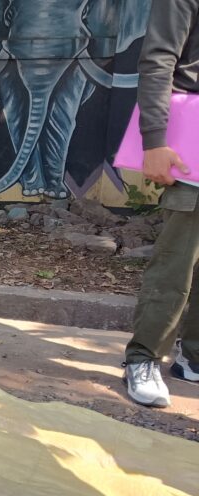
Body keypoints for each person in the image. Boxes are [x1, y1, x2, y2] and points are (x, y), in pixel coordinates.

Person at [122, 0, 199, 407]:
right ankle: (144, 358)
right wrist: (154, 139)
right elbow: (158, 59)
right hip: (192, 133)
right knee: (177, 259)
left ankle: (193, 358)